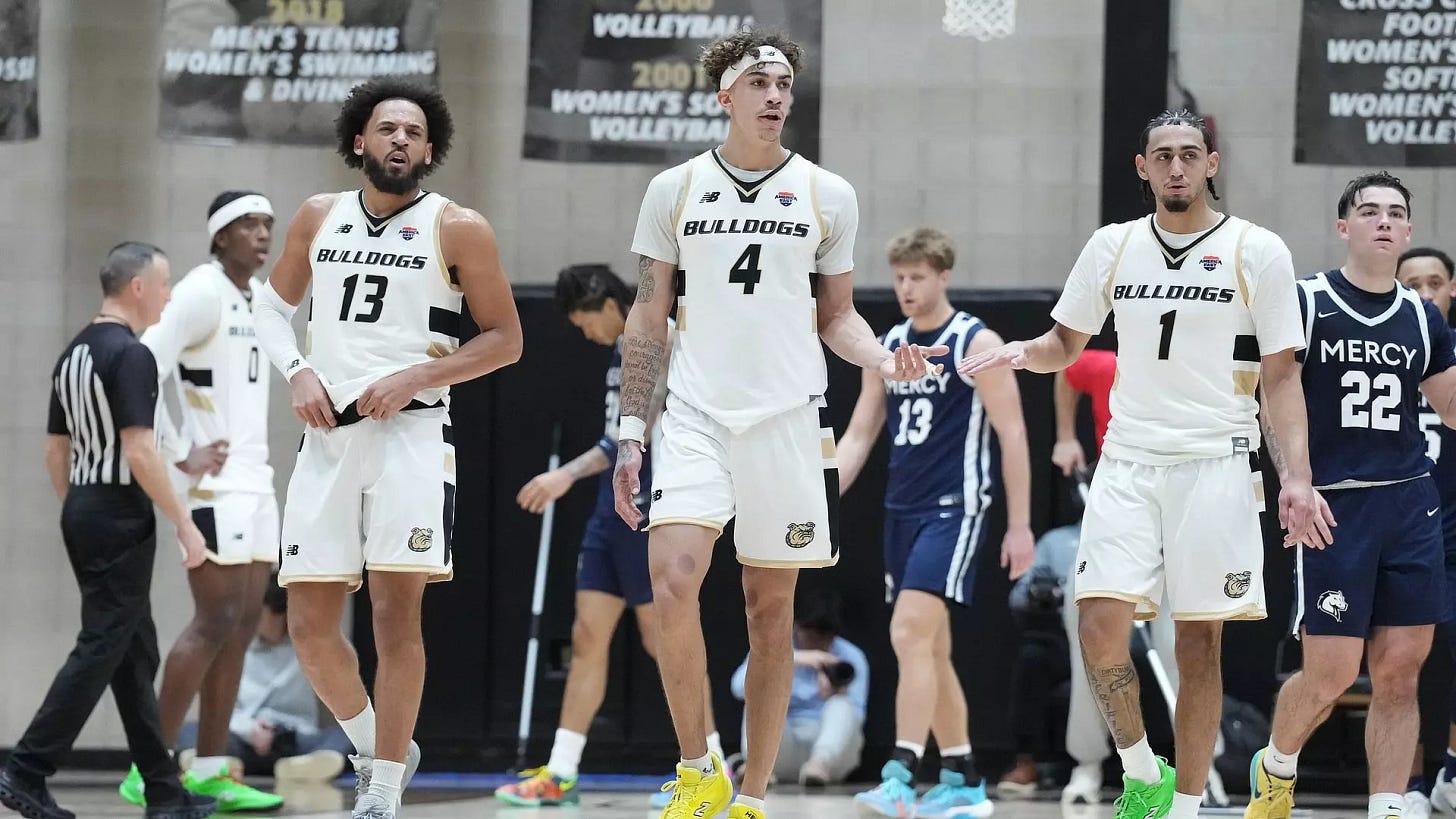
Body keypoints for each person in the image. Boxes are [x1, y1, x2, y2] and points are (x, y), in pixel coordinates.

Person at [614, 27, 946, 819]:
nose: (774, 96)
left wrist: (881, 355)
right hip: (694, 414)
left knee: (771, 612)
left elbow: (837, 315)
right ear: (724, 96)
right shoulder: (675, 188)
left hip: (789, 421)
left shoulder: (830, 194)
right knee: (673, 582)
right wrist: (633, 430)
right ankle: (700, 767)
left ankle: (753, 794)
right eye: (759, 82)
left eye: (784, 85)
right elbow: (648, 313)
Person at [962, 109, 1323, 819]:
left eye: (1191, 154)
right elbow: (1064, 344)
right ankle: (1139, 769)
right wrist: (1023, 353)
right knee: (1096, 624)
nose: (1178, 167)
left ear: (1212, 163)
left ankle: (1183, 806)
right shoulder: (1113, 246)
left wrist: (1298, 476)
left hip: (1216, 462)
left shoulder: (1259, 251)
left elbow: (1282, 378)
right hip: (1127, 460)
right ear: (1143, 167)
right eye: (1164, 156)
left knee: (1198, 643)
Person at [253, 77, 523, 819]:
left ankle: (378, 792)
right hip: (325, 438)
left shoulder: (458, 225)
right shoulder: (318, 216)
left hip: (411, 436)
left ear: (430, 149)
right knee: (308, 628)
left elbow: (507, 339)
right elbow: (270, 308)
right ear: (358, 142)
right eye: (387, 128)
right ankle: (381, 749)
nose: (401, 139)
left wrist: (419, 375)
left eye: (414, 132)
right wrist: (298, 368)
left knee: (394, 618)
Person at [1245, 173, 1456, 819]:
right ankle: (1276, 761)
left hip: (1410, 504)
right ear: (1345, 227)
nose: (1384, 221)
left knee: (1401, 672)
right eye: (1370, 211)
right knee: (1332, 673)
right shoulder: (1307, 300)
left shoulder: (1423, 317)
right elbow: (1270, 399)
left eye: (1396, 212)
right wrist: (1295, 481)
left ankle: (1389, 804)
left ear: (1410, 230)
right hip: (1335, 506)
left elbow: (1451, 406)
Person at [494, 264, 724, 809]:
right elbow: (614, 435)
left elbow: (641, 431)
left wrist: (561, 476)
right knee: (587, 637)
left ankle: (713, 765)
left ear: (607, 302)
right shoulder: (621, 350)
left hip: (648, 504)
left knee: (663, 638)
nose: (585, 333)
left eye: (584, 321)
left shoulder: (659, 338)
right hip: (610, 509)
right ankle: (561, 771)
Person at [0, 242, 217, 819]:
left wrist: (79, 508)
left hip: (85, 505)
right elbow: (141, 449)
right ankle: (26, 768)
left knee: (132, 650)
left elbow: (55, 449)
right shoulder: (132, 355)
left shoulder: (72, 353)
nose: (169, 297)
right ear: (138, 287)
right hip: (120, 510)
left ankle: (164, 791)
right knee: (103, 644)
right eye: (165, 284)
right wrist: (184, 524)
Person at [835, 226, 1034, 819]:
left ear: (942, 276)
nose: (906, 287)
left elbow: (1014, 432)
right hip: (901, 510)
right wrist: (821, 496)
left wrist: (1019, 525)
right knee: (931, 648)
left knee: (906, 634)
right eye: (898, 277)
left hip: (957, 507)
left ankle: (899, 775)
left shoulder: (976, 339)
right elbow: (862, 431)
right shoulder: (889, 343)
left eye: (917, 276)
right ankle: (964, 778)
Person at [113, 190, 283, 813]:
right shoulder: (200, 290)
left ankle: (211, 768)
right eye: (248, 225)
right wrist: (178, 448)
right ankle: (147, 766)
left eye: (268, 223)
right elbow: (142, 362)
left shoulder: (256, 298)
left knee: (238, 631)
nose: (262, 234)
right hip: (214, 488)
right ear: (219, 237)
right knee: (213, 620)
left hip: (256, 482)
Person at [175, 576, 351, 781]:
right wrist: (250, 730)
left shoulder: (307, 647)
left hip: (292, 739)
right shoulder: (237, 649)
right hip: (243, 736)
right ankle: (217, 762)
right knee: (187, 730)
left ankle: (304, 768)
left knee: (347, 733)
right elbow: (222, 706)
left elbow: (342, 662)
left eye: (279, 614)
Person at [1397, 248, 1456, 819]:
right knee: (1400, 663)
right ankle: (1409, 784)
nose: (1424, 293)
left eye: (1434, 282)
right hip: (1399, 532)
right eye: (1411, 284)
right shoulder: (1379, 351)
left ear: (1452, 290)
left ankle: (1452, 774)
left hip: (1454, 539)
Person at [729, 590, 868, 787]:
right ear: (796, 627)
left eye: (824, 636)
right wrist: (793, 660)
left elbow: (858, 716)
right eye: (810, 634)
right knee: (759, 698)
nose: (817, 642)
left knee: (842, 704)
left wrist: (835, 692)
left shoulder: (850, 657)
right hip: (783, 747)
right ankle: (758, 769)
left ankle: (819, 765)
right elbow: (738, 687)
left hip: (831, 754)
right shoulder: (774, 652)